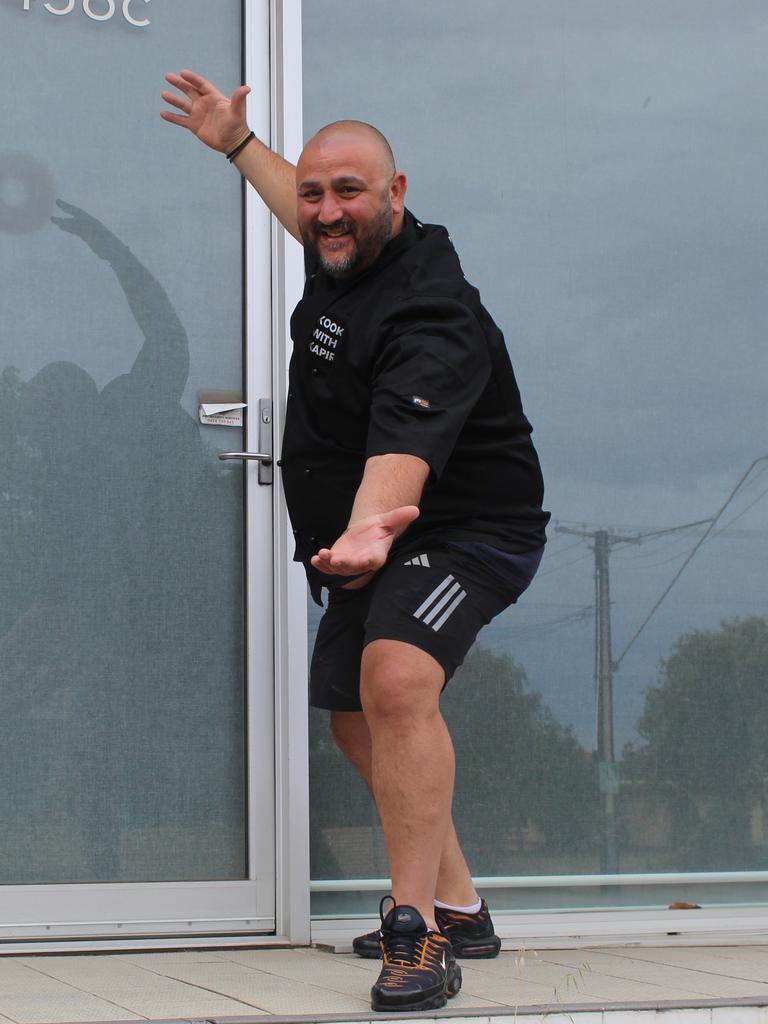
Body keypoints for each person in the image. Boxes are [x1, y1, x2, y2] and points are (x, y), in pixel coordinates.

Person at [161, 69, 549, 1014]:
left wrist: (370, 531)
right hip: (365, 535)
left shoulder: (434, 314)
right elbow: (312, 223)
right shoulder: (350, 252)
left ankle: (417, 938)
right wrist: (240, 147)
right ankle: (462, 908)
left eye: (350, 192)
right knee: (349, 713)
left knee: (398, 679)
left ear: (398, 194)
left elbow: (403, 456)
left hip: (465, 531)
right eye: (315, 192)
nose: (328, 212)